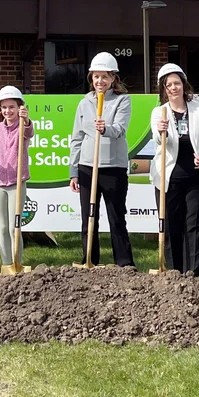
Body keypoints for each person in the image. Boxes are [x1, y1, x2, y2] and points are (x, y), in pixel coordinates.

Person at [149, 63, 199, 276]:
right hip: (169, 177)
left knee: (195, 224)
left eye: (177, 83)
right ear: (163, 89)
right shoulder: (159, 112)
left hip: (197, 177)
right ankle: (173, 271)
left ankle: (192, 272)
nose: (173, 88)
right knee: (171, 225)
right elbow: (157, 138)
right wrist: (160, 131)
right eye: (168, 85)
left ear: (184, 84)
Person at [68, 52, 134, 267]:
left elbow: (120, 129)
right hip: (88, 167)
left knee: (116, 218)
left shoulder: (122, 100)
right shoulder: (84, 102)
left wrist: (105, 128)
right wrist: (74, 170)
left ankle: (124, 264)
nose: (100, 81)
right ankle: (89, 260)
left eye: (105, 76)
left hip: (113, 167)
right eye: (96, 77)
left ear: (113, 78)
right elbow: (77, 137)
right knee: (89, 219)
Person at [0, 85, 34, 269]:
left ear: (19, 107)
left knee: (15, 227)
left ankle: (17, 262)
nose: (7, 111)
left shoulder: (23, 125)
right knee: (3, 227)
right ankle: (6, 264)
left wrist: (25, 119)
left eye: (11, 107)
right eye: (4, 107)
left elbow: (30, 132)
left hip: (17, 183)